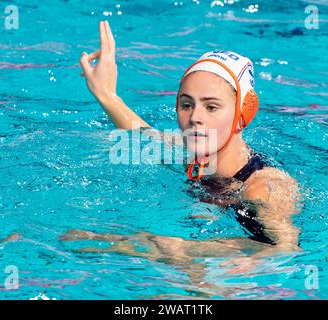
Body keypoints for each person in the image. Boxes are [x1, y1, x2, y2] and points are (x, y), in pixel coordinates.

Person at [68, 20, 302, 275]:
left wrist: (183, 250)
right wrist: (106, 94)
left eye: (211, 107)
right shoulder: (189, 151)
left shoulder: (261, 187)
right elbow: (144, 134)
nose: (194, 118)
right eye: (187, 105)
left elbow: (286, 250)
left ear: (243, 115)